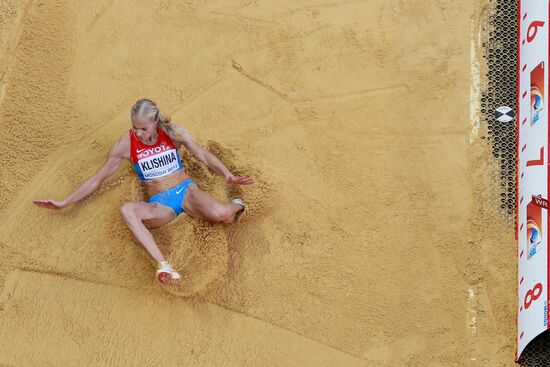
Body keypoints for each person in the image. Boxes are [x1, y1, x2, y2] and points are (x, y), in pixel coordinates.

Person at [33, 99, 253, 285]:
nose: (138, 133)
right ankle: (164, 266)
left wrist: (227, 175)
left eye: (144, 128)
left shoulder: (173, 134)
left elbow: (202, 155)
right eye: (135, 127)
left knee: (223, 215)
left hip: (186, 192)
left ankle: (241, 203)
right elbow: (97, 180)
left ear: (155, 122)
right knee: (127, 210)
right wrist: (64, 203)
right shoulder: (126, 144)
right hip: (160, 205)